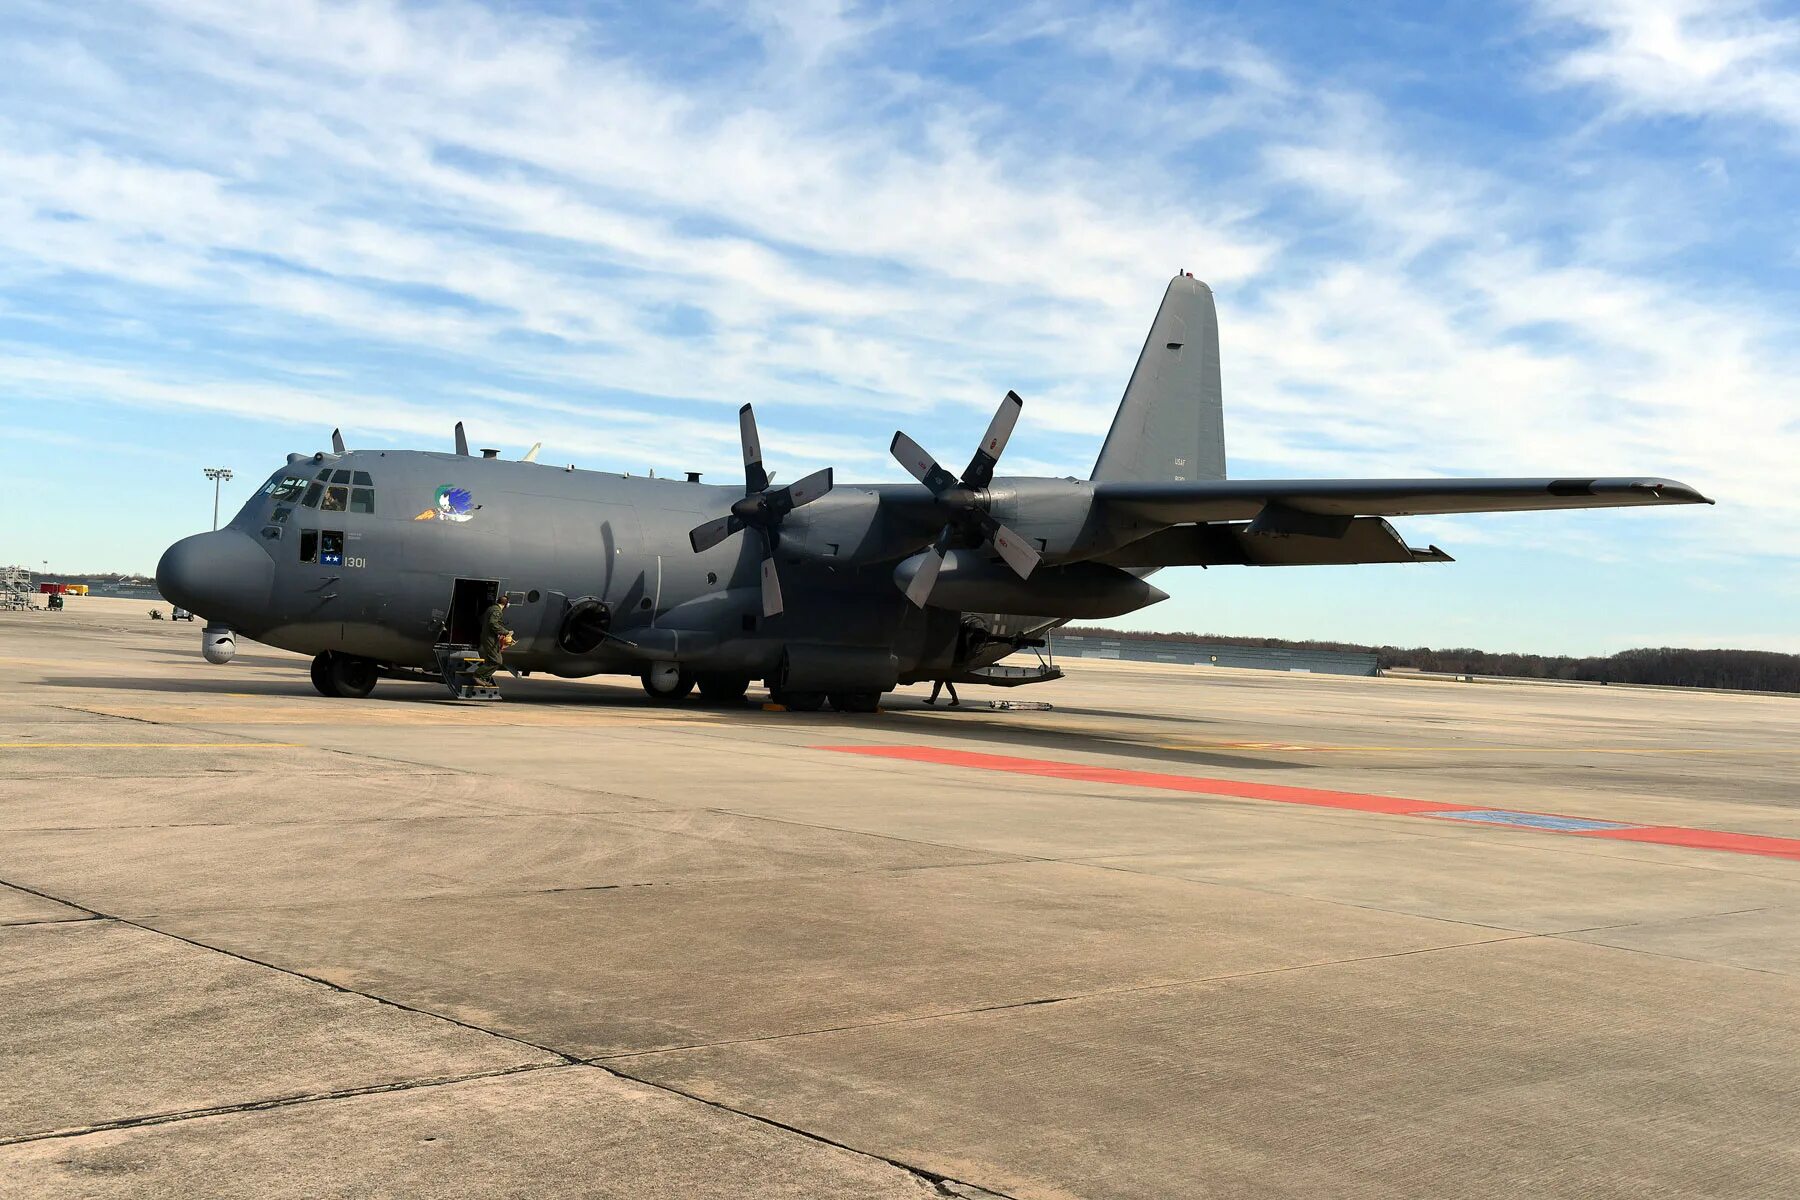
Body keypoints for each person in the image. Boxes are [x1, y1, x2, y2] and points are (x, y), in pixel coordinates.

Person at [474, 593, 513, 686]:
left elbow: (484, 621)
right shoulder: (497, 610)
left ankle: (482, 678)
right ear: (506, 604)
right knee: (497, 660)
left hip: (488, 637)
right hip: (490, 638)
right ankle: (478, 675)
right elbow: (493, 624)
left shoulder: (491, 608)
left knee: (490, 660)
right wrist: (505, 632)